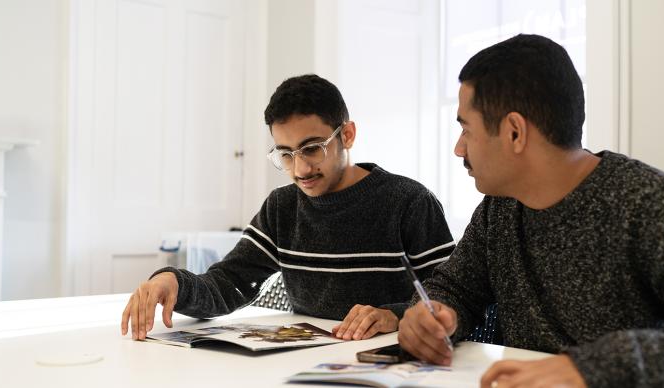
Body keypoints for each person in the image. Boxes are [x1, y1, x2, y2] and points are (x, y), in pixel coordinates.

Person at [397, 34, 664, 387]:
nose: (458, 148)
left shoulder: (649, 203)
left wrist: (590, 367)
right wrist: (432, 313)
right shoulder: (499, 208)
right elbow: (457, 289)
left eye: (465, 129)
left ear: (513, 132)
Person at [121, 74, 454, 343]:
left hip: (389, 360)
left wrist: (393, 315)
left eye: (312, 149)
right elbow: (231, 284)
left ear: (347, 135)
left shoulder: (409, 201)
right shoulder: (282, 206)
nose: (300, 170)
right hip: (305, 363)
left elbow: (451, 297)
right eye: (285, 154)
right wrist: (174, 283)